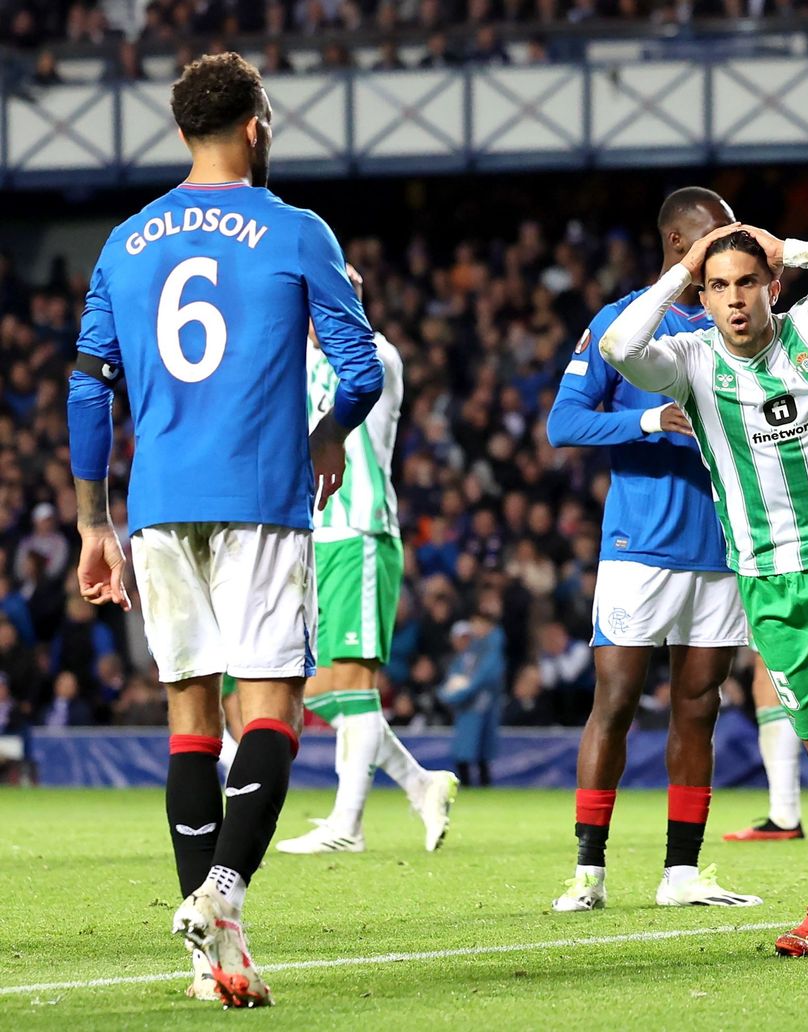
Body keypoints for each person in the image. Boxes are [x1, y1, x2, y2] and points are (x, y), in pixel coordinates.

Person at [67, 53, 382, 1007]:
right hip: (260, 494)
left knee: (190, 720)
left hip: (159, 505)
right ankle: (226, 891)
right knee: (275, 710)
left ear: (180, 134)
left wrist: (93, 522)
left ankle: (213, 965)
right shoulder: (294, 230)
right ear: (257, 127)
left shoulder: (123, 243)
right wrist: (328, 434)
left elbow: (89, 389)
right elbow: (360, 366)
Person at [546, 186, 808, 912]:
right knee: (617, 700)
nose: (736, 256)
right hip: (649, 544)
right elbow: (565, 420)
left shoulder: (794, 325)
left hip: (739, 550)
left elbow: (800, 376)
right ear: (684, 252)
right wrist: (646, 425)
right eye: (716, 248)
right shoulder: (657, 340)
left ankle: (689, 872)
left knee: (703, 705)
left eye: (744, 254)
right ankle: (589, 869)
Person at [273, 263, 460, 857]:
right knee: (313, 685)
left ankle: (347, 825)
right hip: (309, 535)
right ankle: (419, 781)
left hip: (358, 532)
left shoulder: (376, 357)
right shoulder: (295, 358)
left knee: (353, 682)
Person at [438, 612, 506, 788]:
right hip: (470, 706)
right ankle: (470, 784)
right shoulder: (473, 651)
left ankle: (480, 785)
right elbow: (459, 674)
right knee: (468, 748)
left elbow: (482, 678)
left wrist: (453, 695)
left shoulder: (490, 649)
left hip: (480, 705)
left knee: (478, 749)